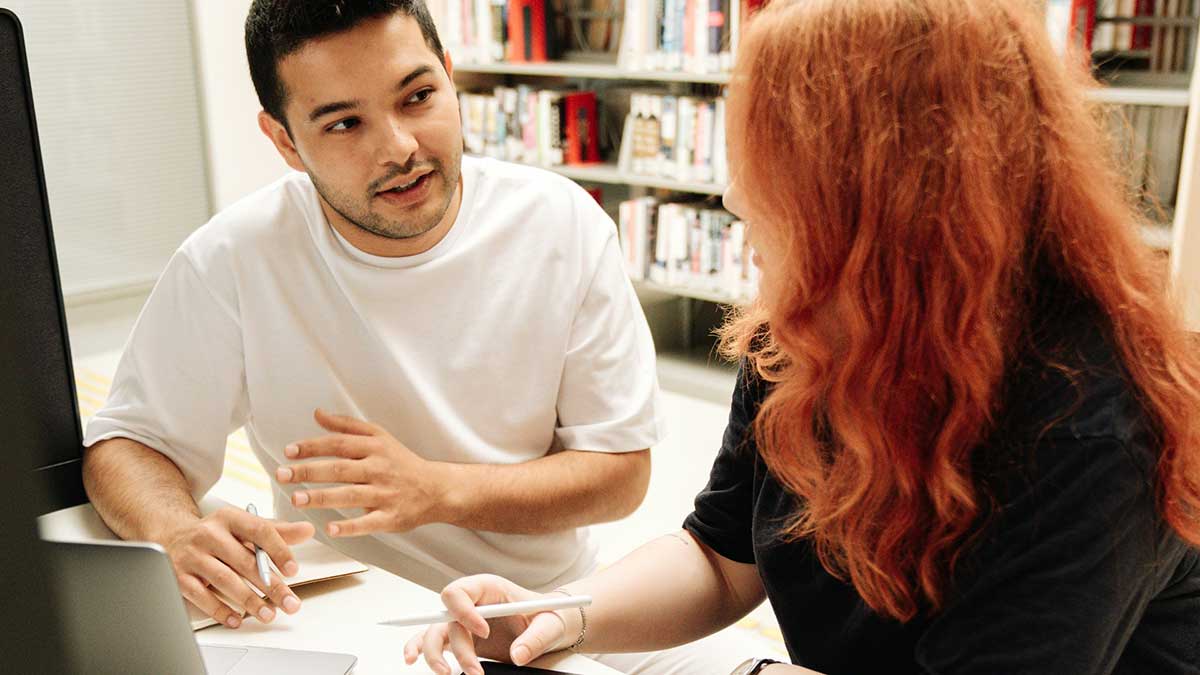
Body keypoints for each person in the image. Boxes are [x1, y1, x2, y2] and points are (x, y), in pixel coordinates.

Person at [405, 0, 1200, 673]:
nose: (732, 195)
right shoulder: (807, 326)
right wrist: (563, 615)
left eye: (775, 160)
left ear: (887, 192)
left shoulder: (1091, 426)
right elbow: (721, 559)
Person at [80, 0, 665, 636]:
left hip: (541, 608)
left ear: (450, 77)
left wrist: (435, 490)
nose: (399, 147)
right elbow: (128, 444)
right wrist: (176, 531)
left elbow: (620, 474)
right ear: (284, 141)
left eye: (418, 97)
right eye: (344, 124)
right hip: (354, 615)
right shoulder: (233, 257)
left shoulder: (561, 224)